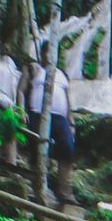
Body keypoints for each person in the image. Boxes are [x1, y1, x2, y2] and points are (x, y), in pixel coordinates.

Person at [27, 56, 77, 208]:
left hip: (60, 118)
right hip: (39, 113)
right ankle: (39, 188)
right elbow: (23, 90)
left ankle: (64, 191)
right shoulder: (36, 70)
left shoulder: (62, 75)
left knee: (67, 150)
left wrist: (71, 122)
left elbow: (67, 100)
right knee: (39, 149)